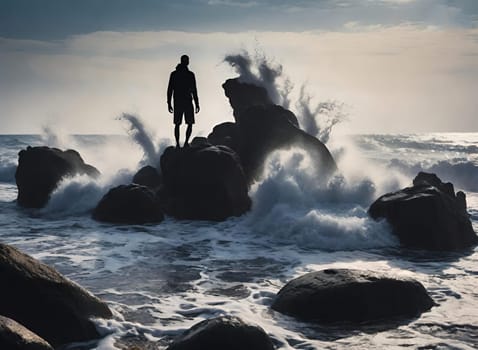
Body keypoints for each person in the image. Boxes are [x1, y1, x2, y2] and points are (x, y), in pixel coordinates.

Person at [167, 54, 200, 148]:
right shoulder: (186, 74)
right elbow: (170, 89)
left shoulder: (178, 74)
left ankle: (182, 143)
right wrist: (169, 103)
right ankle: (182, 143)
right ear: (186, 62)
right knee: (183, 124)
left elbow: (194, 90)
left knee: (183, 123)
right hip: (184, 102)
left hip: (181, 102)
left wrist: (169, 103)